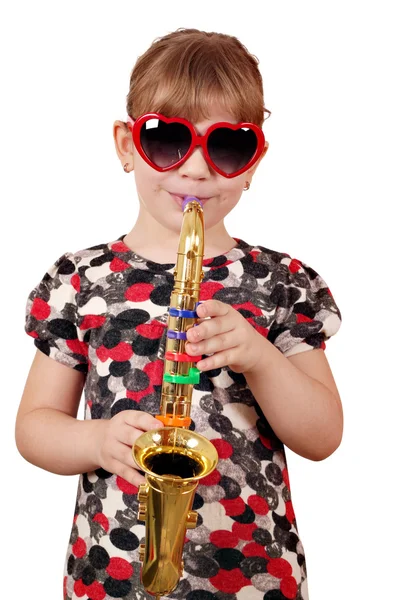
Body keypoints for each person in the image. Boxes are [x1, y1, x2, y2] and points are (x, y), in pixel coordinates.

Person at [16, 28, 343, 600]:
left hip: (254, 575)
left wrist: (261, 358)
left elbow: (323, 436)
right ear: (125, 144)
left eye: (227, 147)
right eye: (167, 140)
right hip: (112, 573)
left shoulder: (283, 282)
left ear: (253, 161)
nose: (195, 169)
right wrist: (95, 442)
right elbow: (34, 426)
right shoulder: (80, 279)